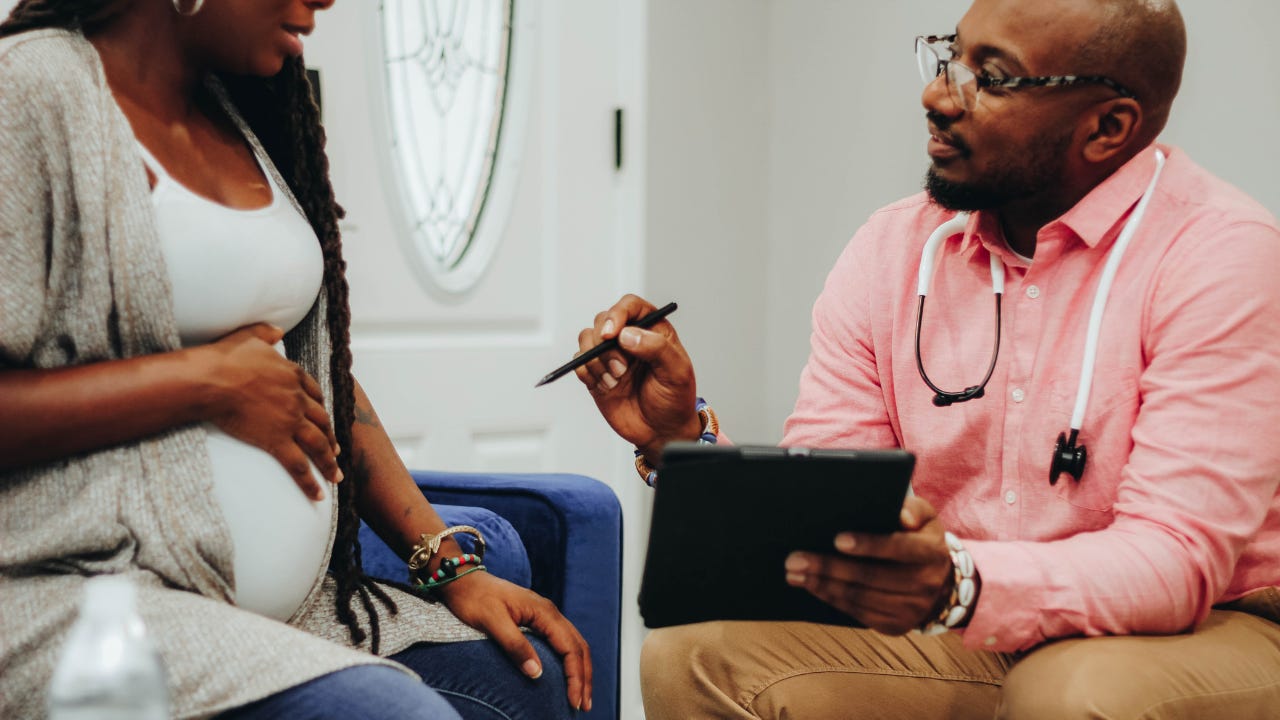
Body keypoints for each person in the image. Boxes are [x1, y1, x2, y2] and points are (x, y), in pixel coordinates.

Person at [573, 0, 1280, 717]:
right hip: (967, 622)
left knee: (1071, 694)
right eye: (951, 56)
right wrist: (683, 443)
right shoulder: (894, 251)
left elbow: (1175, 561)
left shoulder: (1221, 254)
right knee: (694, 654)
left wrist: (963, 584)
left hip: (1215, 619)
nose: (938, 95)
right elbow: (830, 513)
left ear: (1107, 127)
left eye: (992, 77)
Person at [0, 1, 592, 718]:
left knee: (535, 684)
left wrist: (447, 568)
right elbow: (235, 383)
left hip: (299, 614)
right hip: (86, 596)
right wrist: (201, 384)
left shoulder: (237, 109)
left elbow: (317, 382)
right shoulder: (33, 88)